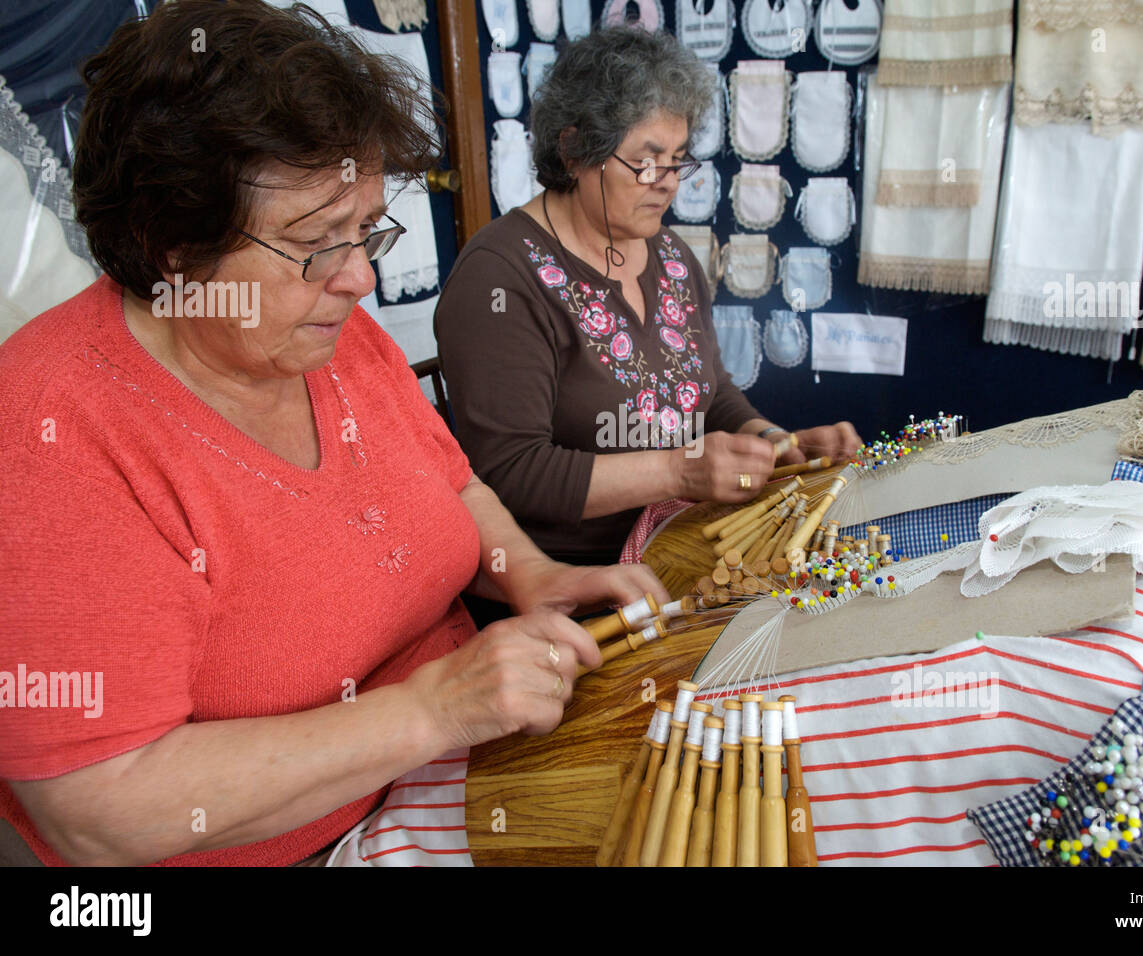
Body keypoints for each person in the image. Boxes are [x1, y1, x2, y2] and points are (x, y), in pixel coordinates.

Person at [0, 0, 664, 867]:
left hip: (449, 779)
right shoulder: (54, 437)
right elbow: (101, 809)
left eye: (366, 231)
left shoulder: (317, 328)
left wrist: (529, 573)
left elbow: (450, 484)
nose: (358, 277)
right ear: (170, 245)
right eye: (316, 243)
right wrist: (431, 710)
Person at [435, 27, 863, 569]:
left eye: (678, 159)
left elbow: (710, 395)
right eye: (646, 160)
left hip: (682, 538)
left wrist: (778, 444)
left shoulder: (671, 256)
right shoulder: (499, 280)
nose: (667, 183)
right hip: (574, 581)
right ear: (573, 151)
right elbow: (512, 472)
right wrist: (678, 470)